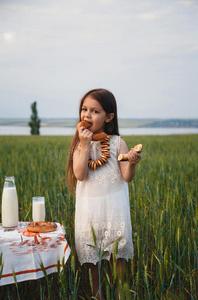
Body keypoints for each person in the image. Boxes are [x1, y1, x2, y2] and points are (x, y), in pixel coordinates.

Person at [66, 88, 141, 297]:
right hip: (89, 213)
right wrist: (84, 143)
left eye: (95, 111)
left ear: (109, 117)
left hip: (115, 213)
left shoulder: (118, 143)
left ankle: (122, 295)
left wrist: (132, 162)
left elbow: (126, 176)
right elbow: (80, 174)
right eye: (84, 109)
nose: (87, 115)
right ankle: (96, 295)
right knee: (94, 266)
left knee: (120, 265)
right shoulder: (80, 146)